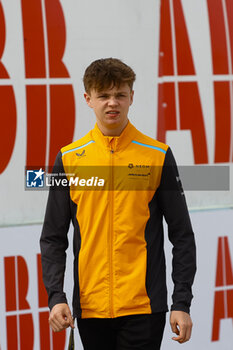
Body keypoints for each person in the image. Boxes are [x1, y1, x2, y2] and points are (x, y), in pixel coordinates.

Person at [40, 58, 196, 350]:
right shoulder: (69, 159)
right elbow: (52, 236)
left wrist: (181, 302)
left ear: (131, 97)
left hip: (144, 308)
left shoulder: (157, 156)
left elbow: (182, 235)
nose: (112, 103)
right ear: (88, 99)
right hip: (90, 309)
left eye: (120, 95)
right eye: (103, 95)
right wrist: (56, 297)